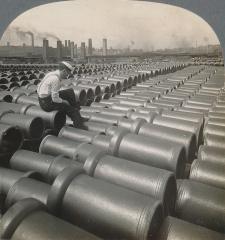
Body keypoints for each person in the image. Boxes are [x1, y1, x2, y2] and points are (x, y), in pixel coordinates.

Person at [37, 61, 84, 128]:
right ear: (64, 70)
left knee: (70, 91)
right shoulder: (55, 79)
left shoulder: (52, 74)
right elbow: (55, 99)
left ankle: (78, 117)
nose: (67, 75)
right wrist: (64, 102)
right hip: (47, 104)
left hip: (44, 99)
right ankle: (79, 127)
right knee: (74, 111)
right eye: (67, 73)